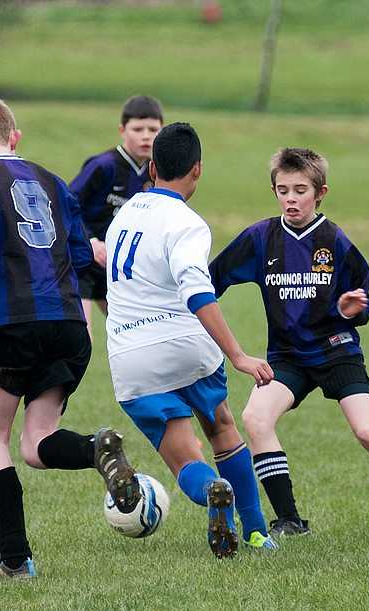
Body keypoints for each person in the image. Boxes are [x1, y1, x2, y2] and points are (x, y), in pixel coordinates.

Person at [0, 95, 141, 579]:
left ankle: (17, 561)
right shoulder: (51, 179)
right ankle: (94, 449)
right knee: (35, 443)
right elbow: (82, 254)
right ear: (15, 138)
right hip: (68, 325)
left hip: (14, 324)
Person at [209, 147, 369, 539]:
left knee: (368, 432)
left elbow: (362, 305)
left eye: (300, 190)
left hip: (336, 349)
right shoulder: (260, 238)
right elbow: (210, 282)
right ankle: (289, 520)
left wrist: (349, 309)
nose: (291, 198)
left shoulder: (335, 241)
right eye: (283, 189)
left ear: (320, 192)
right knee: (255, 419)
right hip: (288, 358)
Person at [104, 122, 278, 558]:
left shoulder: (122, 215)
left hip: (133, 355)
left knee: (186, 461)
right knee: (221, 427)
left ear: (152, 167)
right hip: (187, 344)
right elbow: (197, 290)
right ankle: (257, 531)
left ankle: (212, 490)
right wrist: (236, 354)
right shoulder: (187, 223)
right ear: (197, 170)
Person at [69, 95, 164, 338]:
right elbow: (67, 204)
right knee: (82, 340)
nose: (146, 136)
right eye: (137, 129)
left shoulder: (156, 172)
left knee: (137, 336)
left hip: (116, 265)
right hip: (83, 259)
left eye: (153, 129)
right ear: (122, 130)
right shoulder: (104, 165)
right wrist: (90, 242)